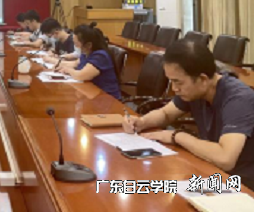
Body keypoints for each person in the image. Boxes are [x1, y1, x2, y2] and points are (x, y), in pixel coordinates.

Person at [123, 40, 254, 190]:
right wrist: (141, 122)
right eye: (171, 81)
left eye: (178, 82)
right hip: (213, 170)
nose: (174, 89)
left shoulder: (238, 99)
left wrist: (177, 136)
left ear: (203, 79)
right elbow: (166, 114)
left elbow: (225, 158)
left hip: (243, 183)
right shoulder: (195, 90)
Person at [59, 23, 121, 99]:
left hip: (107, 98)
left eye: (76, 44)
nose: (75, 47)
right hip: (91, 93)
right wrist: (59, 64)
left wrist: (68, 70)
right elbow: (75, 63)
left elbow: (81, 75)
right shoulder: (86, 53)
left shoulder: (100, 56)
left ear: (88, 45)